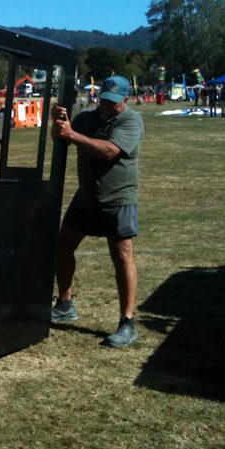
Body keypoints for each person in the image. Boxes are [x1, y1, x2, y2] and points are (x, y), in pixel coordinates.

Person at [50, 75, 144, 348]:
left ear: (125, 100)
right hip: (86, 199)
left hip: (119, 198)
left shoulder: (130, 121)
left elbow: (108, 151)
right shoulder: (85, 120)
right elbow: (62, 139)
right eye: (103, 100)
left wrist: (72, 134)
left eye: (113, 102)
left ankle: (127, 323)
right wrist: (59, 123)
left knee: (122, 255)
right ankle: (65, 303)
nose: (106, 106)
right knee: (63, 244)